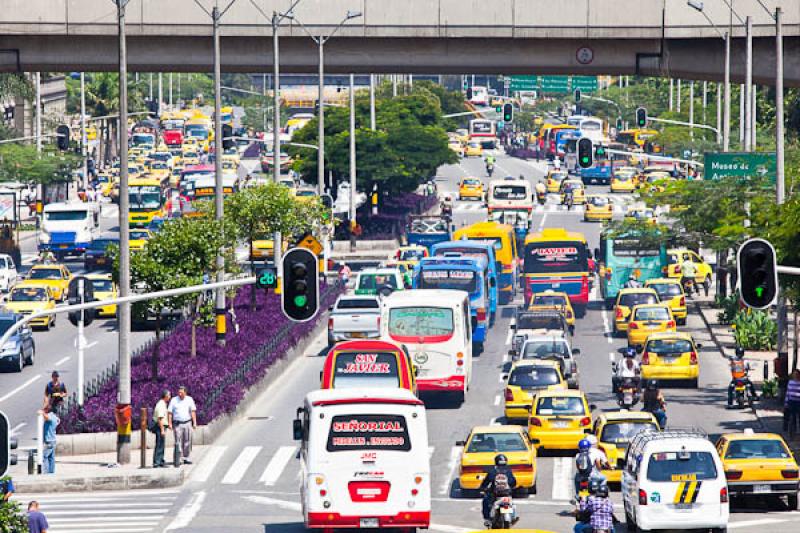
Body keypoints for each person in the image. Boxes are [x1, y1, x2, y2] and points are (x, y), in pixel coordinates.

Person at [479, 454, 517, 525]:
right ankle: (513, 517)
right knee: (511, 504)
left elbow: (485, 483)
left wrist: (483, 489)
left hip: (495, 495)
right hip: (507, 494)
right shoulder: (508, 471)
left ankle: (487, 519)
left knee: (485, 501)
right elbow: (513, 482)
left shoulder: (493, 471)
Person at [168, 386, 197, 466]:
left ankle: (186, 457)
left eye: (182, 393)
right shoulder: (174, 400)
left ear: (185, 393)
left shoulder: (189, 399)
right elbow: (170, 413)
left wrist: (194, 422)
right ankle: (178, 459)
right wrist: (170, 423)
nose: (180, 394)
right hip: (178, 424)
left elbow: (193, 411)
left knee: (187, 441)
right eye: (179, 392)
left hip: (187, 422)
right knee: (178, 441)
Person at [152, 389, 171, 468]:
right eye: (169, 395)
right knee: (159, 444)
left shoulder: (163, 404)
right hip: (160, 427)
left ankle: (161, 460)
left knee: (161, 444)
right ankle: (157, 462)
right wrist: (162, 430)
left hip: (162, 426)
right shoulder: (161, 404)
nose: (170, 397)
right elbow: (160, 418)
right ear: (166, 396)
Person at [39, 406, 59, 474]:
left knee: (44, 456)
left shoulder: (51, 417)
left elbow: (47, 418)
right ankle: (51, 472)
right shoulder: (56, 418)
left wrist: (42, 413)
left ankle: (46, 472)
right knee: (51, 458)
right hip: (53, 440)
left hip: (49, 441)